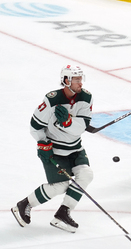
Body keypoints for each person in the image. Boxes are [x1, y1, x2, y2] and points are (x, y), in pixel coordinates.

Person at [11, 65, 94, 233]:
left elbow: (83, 126)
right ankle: (24, 204)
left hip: (75, 147)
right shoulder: (52, 100)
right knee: (60, 185)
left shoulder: (86, 97)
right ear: (66, 80)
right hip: (54, 150)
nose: (80, 82)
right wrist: (43, 143)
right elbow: (35, 126)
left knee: (86, 175)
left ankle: (63, 213)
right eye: (76, 79)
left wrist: (68, 122)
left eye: (80, 78)